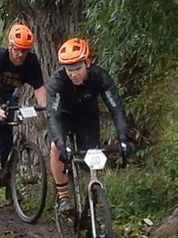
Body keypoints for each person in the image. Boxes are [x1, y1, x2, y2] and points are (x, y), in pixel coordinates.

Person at [46, 38, 131, 215]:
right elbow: (53, 115)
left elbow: (116, 108)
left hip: (87, 118)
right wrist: (62, 145)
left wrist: (123, 138)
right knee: (55, 148)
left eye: (78, 69)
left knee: (93, 158)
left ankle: (94, 202)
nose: (74, 74)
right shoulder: (57, 81)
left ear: (88, 63)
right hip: (64, 118)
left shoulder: (99, 76)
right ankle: (63, 197)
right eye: (69, 70)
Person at [0, 23, 48, 174]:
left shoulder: (31, 63)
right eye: (17, 50)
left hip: (6, 95)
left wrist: (47, 111)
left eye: (24, 51)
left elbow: (39, 90)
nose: (20, 55)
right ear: (10, 46)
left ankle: (5, 176)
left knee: (6, 134)